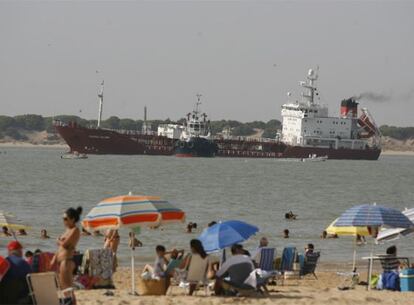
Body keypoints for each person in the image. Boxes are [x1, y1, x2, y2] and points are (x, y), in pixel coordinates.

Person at [51, 206, 82, 302]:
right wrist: (54, 259)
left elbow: (65, 244)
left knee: (68, 289)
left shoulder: (75, 230)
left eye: (65, 219)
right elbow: (61, 247)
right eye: (63, 219)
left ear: (72, 219)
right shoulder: (67, 230)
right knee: (64, 289)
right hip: (61, 261)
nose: (63, 221)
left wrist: (58, 240)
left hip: (66, 261)